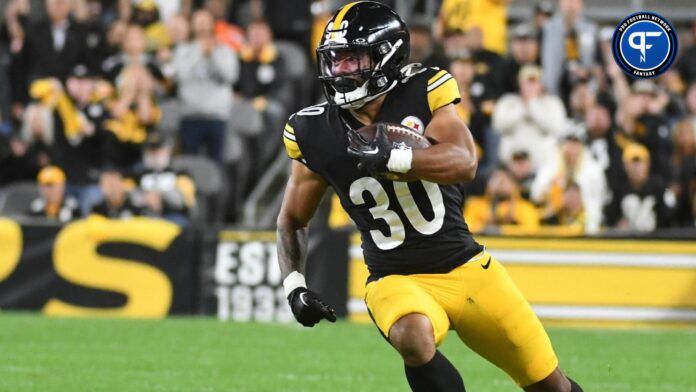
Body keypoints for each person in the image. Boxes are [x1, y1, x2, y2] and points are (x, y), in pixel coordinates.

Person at [276, 3, 583, 392]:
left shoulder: (425, 89)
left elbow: (465, 162)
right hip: (394, 277)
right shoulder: (312, 129)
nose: (339, 71)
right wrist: (294, 285)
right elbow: (292, 220)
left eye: (352, 59)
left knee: (550, 385)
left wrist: (396, 157)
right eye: (334, 61)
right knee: (412, 335)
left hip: (467, 267)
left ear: (384, 55)